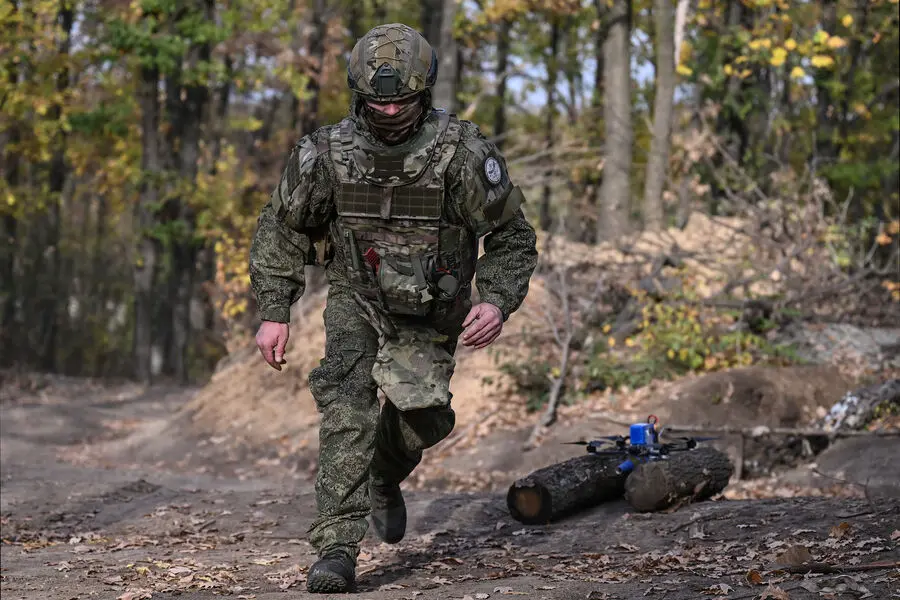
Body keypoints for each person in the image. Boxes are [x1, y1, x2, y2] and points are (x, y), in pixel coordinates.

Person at [248, 22, 538, 593]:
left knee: (427, 416)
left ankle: (384, 472)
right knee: (346, 409)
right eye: (376, 102)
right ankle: (336, 548)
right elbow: (282, 229)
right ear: (358, 93)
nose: (387, 112)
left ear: (423, 91)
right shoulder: (324, 154)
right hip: (356, 298)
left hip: (432, 310)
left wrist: (497, 301)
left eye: (400, 102)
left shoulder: (462, 154)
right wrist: (274, 308)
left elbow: (512, 237)